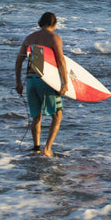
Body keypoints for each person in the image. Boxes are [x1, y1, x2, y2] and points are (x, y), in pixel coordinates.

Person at [15, 12, 68, 157]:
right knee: (57, 116)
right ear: (54, 24)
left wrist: (18, 82)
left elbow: (19, 61)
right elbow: (61, 61)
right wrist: (65, 83)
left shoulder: (29, 38)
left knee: (36, 116)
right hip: (46, 81)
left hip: (31, 81)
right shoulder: (54, 38)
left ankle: (36, 147)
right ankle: (47, 149)